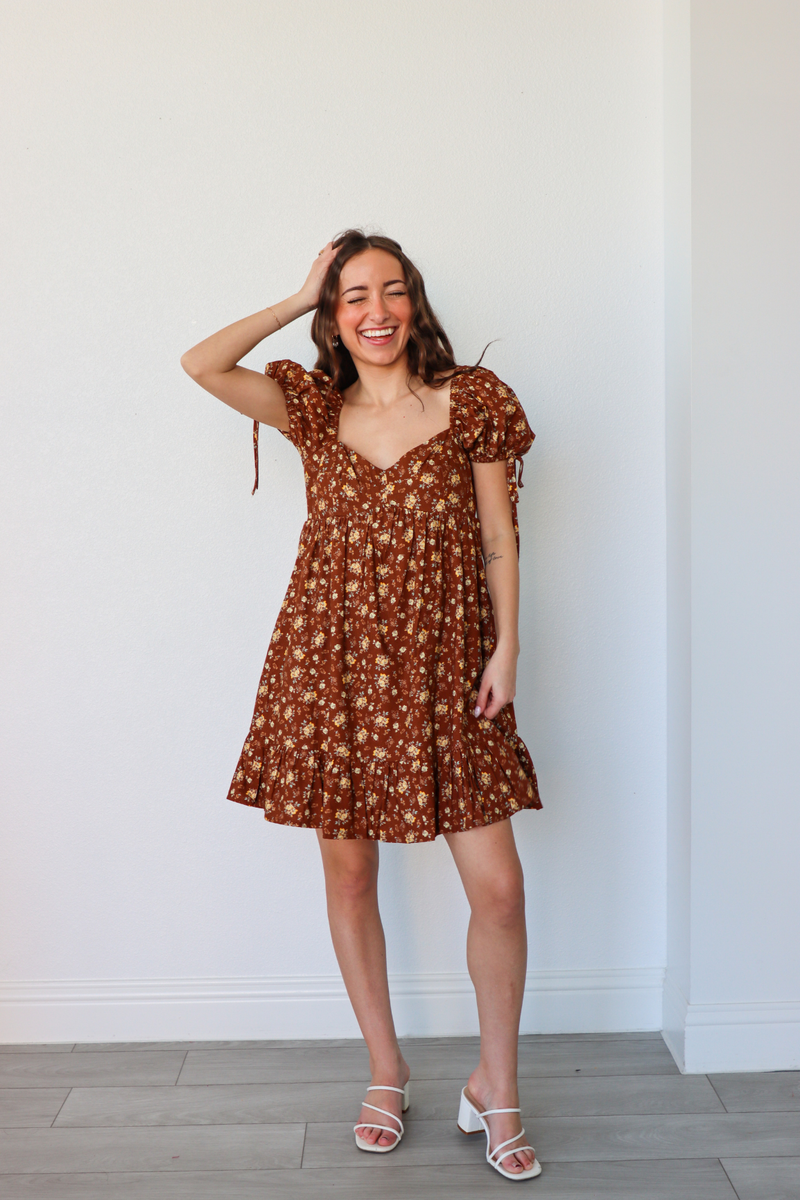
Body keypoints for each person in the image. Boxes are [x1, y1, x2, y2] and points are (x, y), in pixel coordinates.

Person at [180, 230, 543, 1181]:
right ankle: (387, 1069)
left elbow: (501, 536)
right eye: (351, 297)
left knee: (498, 887)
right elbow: (201, 363)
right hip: (331, 668)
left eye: (390, 291)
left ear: (415, 302)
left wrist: (508, 648)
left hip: (450, 669)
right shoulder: (309, 405)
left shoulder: (472, 401)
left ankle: (494, 1087)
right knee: (349, 879)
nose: (374, 310)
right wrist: (297, 292)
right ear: (333, 316)